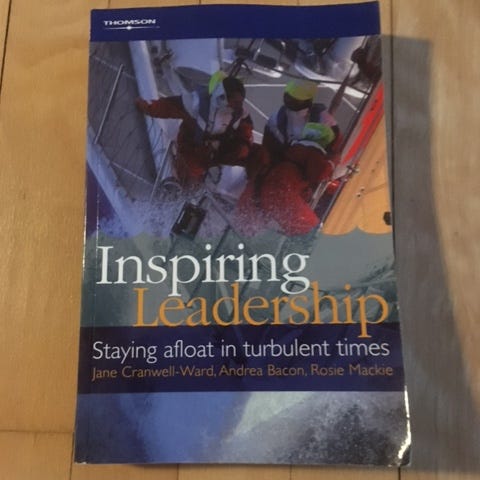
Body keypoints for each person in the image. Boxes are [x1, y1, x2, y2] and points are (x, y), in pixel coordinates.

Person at [136, 71, 261, 185]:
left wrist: (243, 146)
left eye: (239, 101)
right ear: (222, 96)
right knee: (191, 175)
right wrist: (148, 107)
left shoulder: (240, 113)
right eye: (234, 100)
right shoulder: (196, 103)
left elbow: (245, 129)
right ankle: (187, 186)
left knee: (260, 156)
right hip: (193, 148)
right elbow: (169, 106)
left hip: (220, 150)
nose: (237, 104)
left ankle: (253, 193)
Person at [236, 122, 337, 236]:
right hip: (279, 195)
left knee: (239, 232)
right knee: (310, 233)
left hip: (254, 190)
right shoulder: (311, 152)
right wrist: (332, 163)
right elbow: (320, 174)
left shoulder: (287, 148)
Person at [262, 79, 341, 160]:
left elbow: (334, 153)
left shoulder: (325, 120)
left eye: (296, 100)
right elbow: (266, 146)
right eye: (288, 98)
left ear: (308, 101)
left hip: (309, 162)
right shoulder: (276, 119)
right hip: (282, 162)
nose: (290, 102)